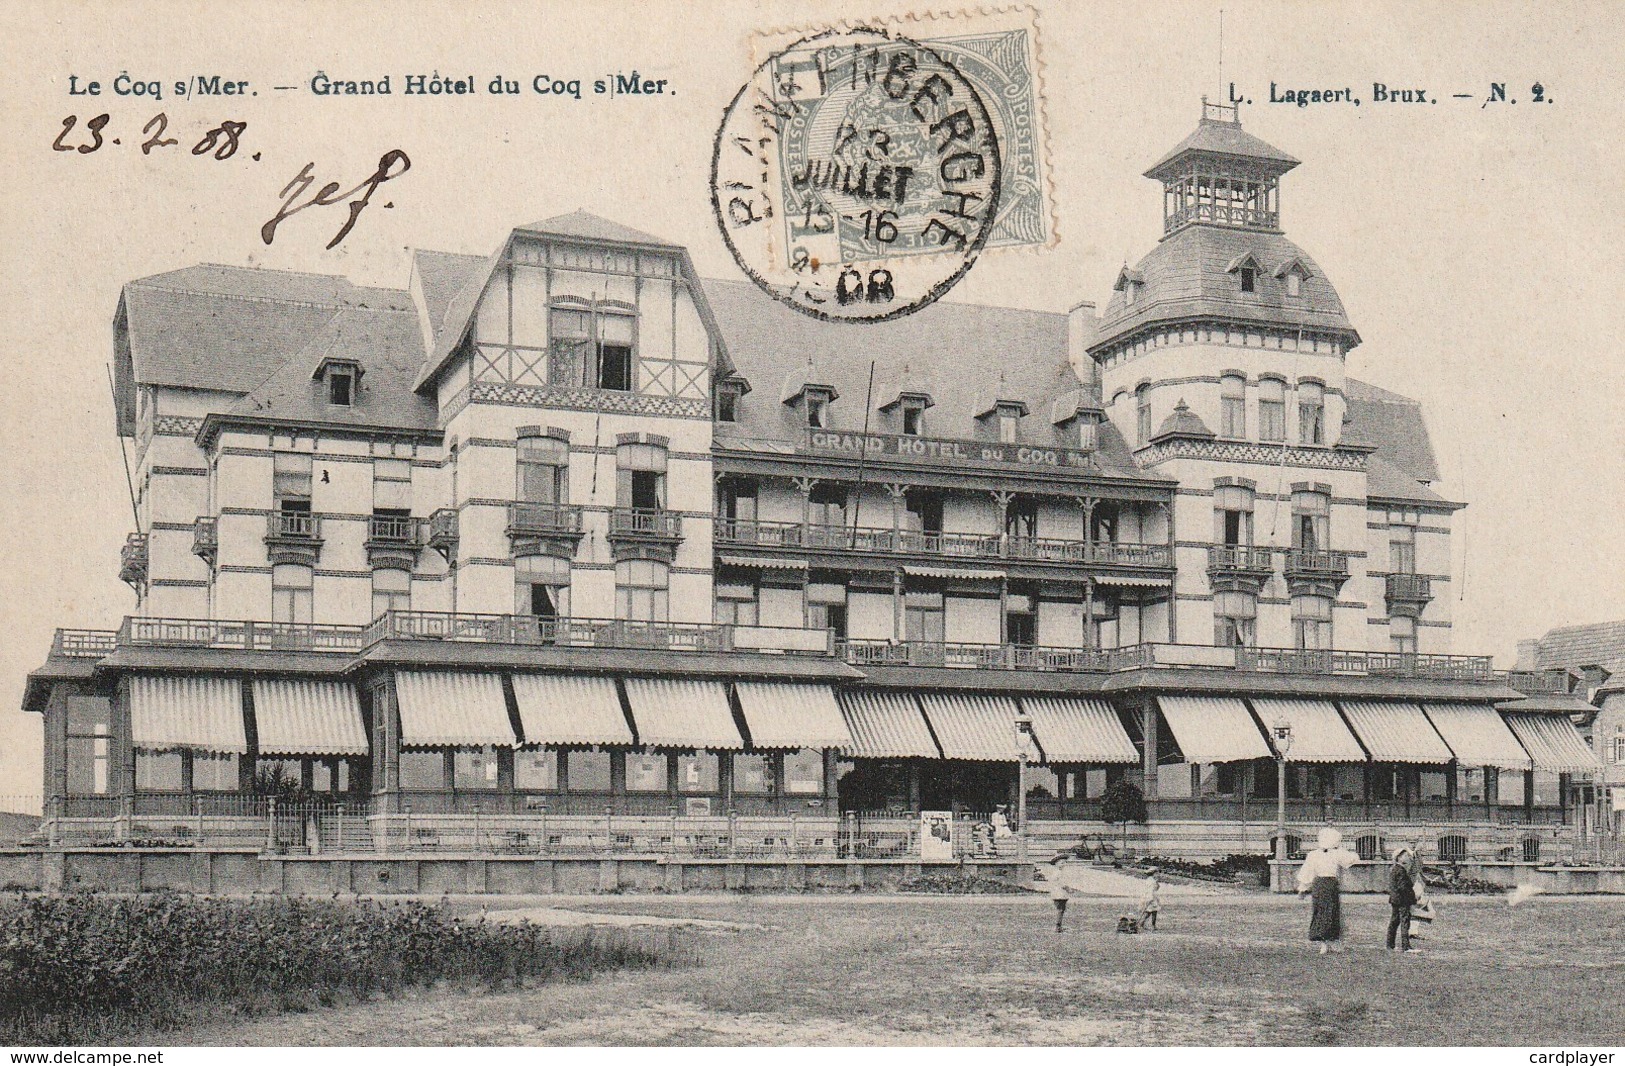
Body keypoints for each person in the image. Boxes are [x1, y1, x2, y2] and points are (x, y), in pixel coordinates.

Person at [1296, 826, 1359, 954]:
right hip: (1320, 884)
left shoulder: (1336, 853)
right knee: (1321, 912)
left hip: (1330, 885)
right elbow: (1308, 872)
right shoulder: (1313, 855)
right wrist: (1302, 888)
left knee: (1332, 912)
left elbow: (1353, 858)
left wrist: (1339, 849)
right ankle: (1324, 942)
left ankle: (1332, 941)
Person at [1386, 846, 1420, 953]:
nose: (1407, 857)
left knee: (1394, 922)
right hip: (1403, 900)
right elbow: (1403, 887)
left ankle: (1390, 944)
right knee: (1405, 922)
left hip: (1395, 899)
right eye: (1405, 855)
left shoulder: (1394, 869)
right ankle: (1406, 946)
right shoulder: (1401, 870)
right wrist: (1412, 897)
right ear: (1399, 857)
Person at [1038, 855, 1073, 931]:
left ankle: (1059, 924)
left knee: (1061, 909)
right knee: (1060, 910)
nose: (1064, 864)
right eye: (1062, 863)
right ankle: (1058, 926)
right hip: (1059, 894)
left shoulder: (1057, 872)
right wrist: (1069, 889)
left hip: (1058, 893)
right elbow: (1062, 884)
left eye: (1065, 863)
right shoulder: (1058, 873)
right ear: (1056, 864)